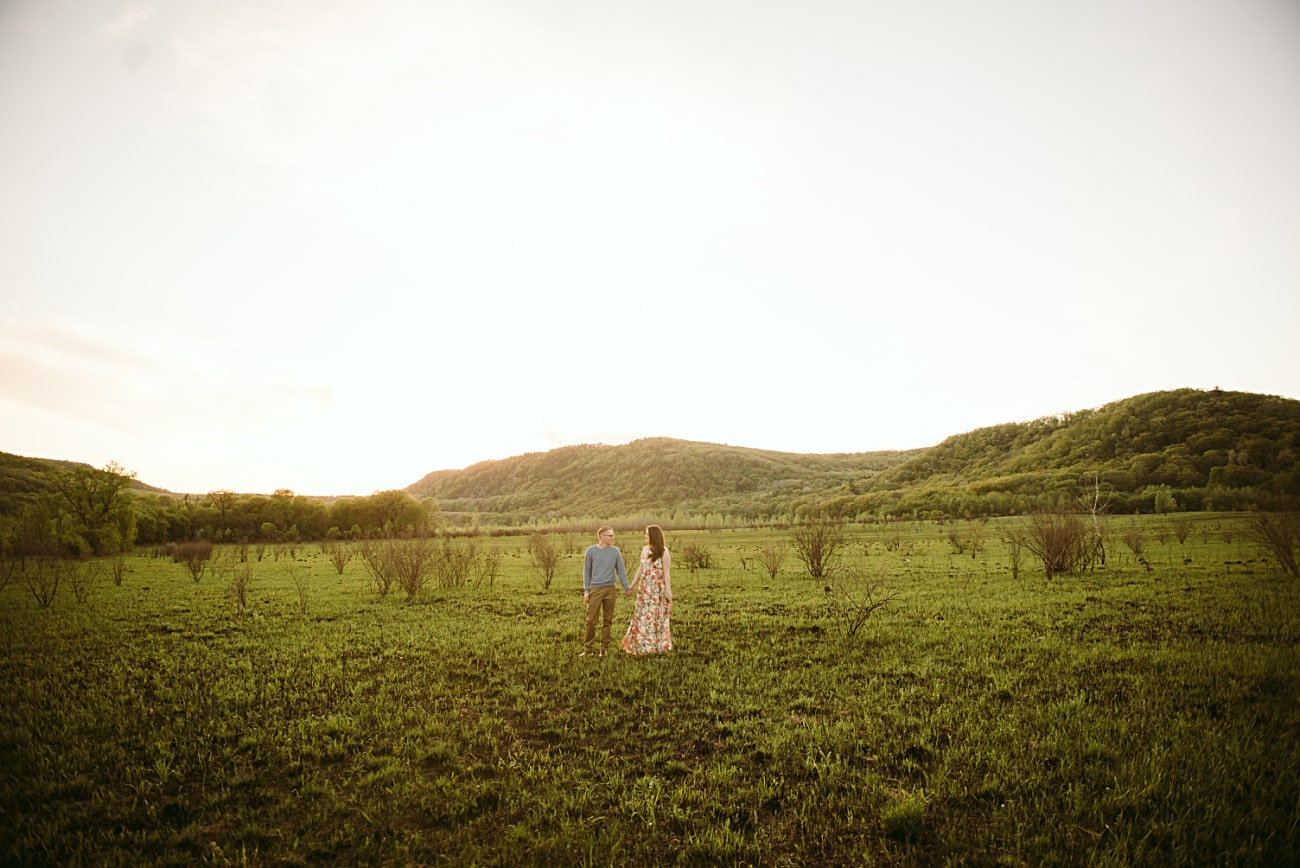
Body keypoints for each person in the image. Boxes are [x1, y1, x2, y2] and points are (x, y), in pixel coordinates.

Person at [621, 524, 673, 656]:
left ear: (653, 536)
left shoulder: (664, 552)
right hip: (644, 590)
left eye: (647, 534)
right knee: (642, 616)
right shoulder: (644, 550)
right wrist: (631, 586)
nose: (645, 536)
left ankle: (655, 646)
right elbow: (640, 569)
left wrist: (668, 591)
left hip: (657, 590)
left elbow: (666, 573)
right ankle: (640, 644)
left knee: (655, 617)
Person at [581, 526, 629, 657]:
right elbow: (587, 572)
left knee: (607, 620)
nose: (613, 538)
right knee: (591, 620)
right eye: (610, 536)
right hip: (595, 589)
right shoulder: (590, 551)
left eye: (613, 535)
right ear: (602, 537)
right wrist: (586, 590)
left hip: (610, 589)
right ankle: (588, 650)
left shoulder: (615, 551)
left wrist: (626, 587)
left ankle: (604, 648)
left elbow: (621, 570)